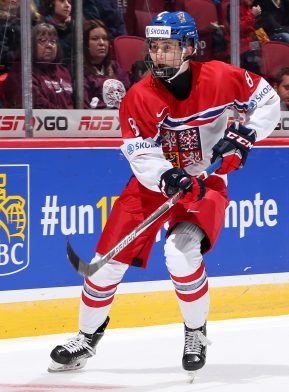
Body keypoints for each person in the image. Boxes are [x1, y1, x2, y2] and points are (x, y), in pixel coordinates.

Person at [48, 11, 280, 374]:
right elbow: (140, 153)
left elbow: (267, 101)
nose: (159, 55)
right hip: (150, 188)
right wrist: (167, 177)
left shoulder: (221, 76)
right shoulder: (138, 98)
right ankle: (86, 336)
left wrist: (247, 134)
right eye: (154, 47)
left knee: (181, 254)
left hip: (205, 183)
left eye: (168, 47)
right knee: (104, 266)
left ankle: (195, 332)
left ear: (189, 47)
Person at [4, 23, 74, 109]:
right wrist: (66, 117)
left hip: (69, 121)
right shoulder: (21, 70)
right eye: (42, 40)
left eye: (53, 41)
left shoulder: (63, 71)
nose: (49, 45)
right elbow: (34, 103)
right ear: (31, 45)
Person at [83, 19, 131, 109]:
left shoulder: (116, 68)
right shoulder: (80, 71)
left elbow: (130, 97)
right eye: (95, 39)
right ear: (85, 44)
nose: (101, 43)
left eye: (104, 39)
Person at [225, 0, 262, 74]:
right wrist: (252, 15)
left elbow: (256, 28)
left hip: (250, 44)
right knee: (255, 59)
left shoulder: (250, 8)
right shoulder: (232, 8)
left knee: (266, 52)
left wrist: (265, 41)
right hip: (238, 46)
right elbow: (237, 29)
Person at [40, 0, 73, 65]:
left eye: (69, 2)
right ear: (51, 3)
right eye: (62, 1)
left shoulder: (74, 27)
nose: (67, 5)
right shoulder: (41, 26)